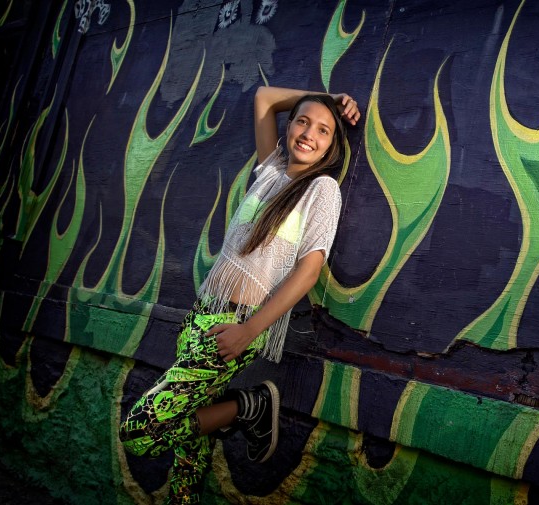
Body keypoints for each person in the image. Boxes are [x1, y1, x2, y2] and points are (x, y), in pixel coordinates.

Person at [119, 86, 360, 504]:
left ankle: (249, 406)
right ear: (289, 127)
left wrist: (250, 331)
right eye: (303, 121)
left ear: (332, 145)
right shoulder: (271, 171)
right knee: (188, 457)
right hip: (200, 317)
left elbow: (308, 272)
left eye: (323, 130)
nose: (309, 134)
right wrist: (327, 97)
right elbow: (264, 98)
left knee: (140, 432)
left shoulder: (321, 190)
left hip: (237, 325)